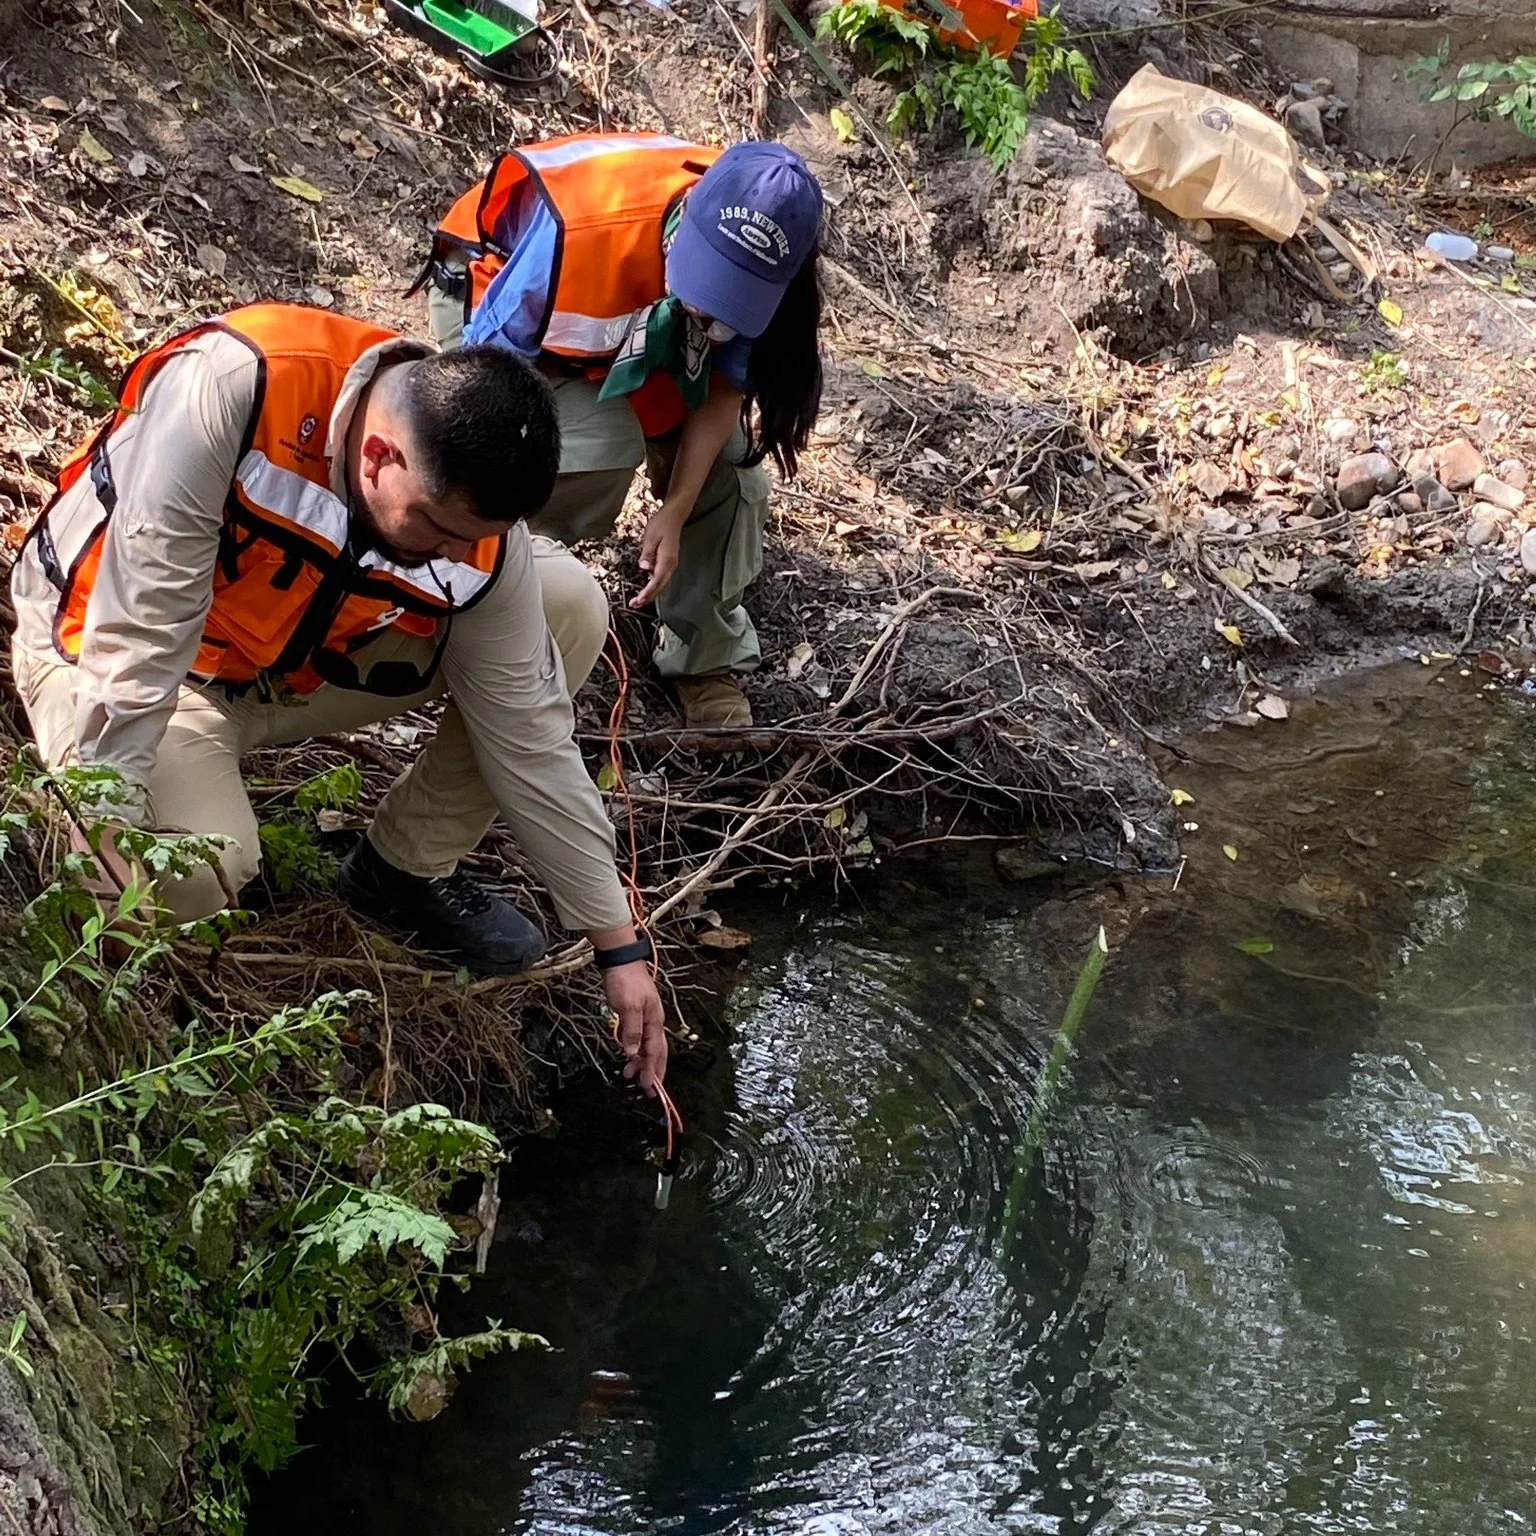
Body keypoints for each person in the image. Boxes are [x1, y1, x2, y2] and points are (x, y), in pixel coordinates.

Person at [9, 302, 667, 1093]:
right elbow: (140, 635)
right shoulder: (234, 389)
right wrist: (102, 816)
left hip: (293, 669)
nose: (454, 555)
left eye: (473, 536)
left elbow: (531, 734)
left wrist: (617, 946)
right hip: (121, 654)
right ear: (380, 456)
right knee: (194, 873)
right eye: (436, 527)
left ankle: (402, 870)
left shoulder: (463, 522)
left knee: (561, 600)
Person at [415, 132, 826, 731]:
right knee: (597, 444)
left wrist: (677, 509)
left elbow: (723, 389)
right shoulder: (581, 232)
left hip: (634, 335)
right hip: (500, 306)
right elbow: (485, 386)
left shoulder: (767, 253)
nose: (716, 314)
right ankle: (488, 588)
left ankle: (701, 658)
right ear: (691, 224)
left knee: (736, 483)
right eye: (709, 283)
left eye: (734, 303)